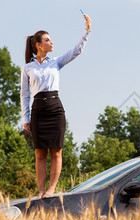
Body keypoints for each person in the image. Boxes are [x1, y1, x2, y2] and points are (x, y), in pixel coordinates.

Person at [21, 14, 91, 199]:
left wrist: (87, 30)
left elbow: (76, 51)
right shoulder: (27, 68)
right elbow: (25, 95)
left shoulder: (57, 61)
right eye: (47, 40)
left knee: (56, 152)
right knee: (40, 154)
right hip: (38, 111)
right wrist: (25, 118)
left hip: (55, 109)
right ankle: (41, 191)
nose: (51, 43)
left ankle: (51, 189)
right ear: (38, 44)